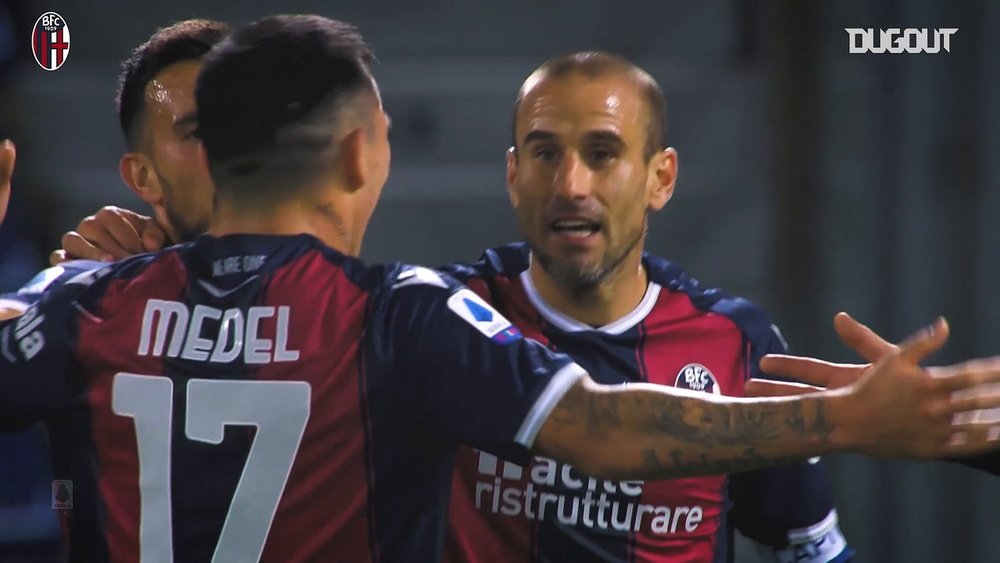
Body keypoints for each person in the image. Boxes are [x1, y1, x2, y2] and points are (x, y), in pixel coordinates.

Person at [3, 13, 1000, 563]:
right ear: (361, 152)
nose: (572, 183)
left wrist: (87, 272)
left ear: (662, 173)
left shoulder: (89, 303)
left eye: (603, 152)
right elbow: (604, 427)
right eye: (546, 151)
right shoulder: (404, 314)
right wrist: (844, 418)